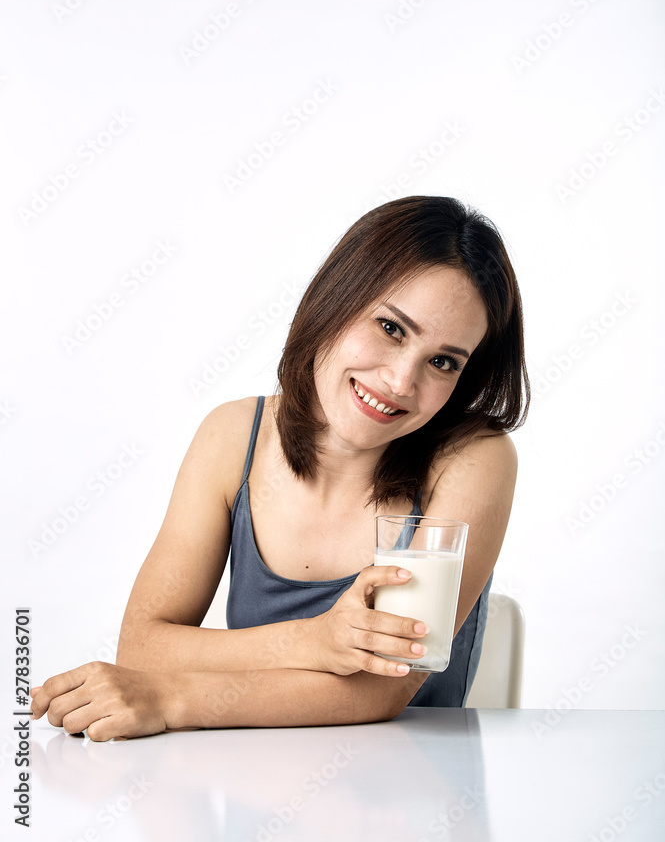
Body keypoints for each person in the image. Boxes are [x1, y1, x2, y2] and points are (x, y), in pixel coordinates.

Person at [31, 195, 529, 740]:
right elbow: (144, 646)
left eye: (443, 361)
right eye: (391, 328)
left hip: (406, 804)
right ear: (338, 300)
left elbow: (381, 688)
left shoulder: (473, 459)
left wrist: (174, 697)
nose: (401, 382)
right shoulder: (232, 438)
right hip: (257, 792)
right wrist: (316, 640)